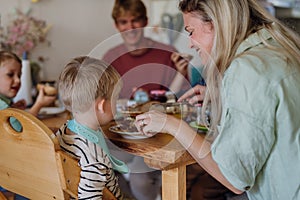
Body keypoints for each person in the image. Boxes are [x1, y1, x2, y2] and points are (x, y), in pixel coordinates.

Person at [135, 1, 300, 200]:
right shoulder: (276, 47)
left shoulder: (246, 70)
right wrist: (225, 96)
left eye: (190, 31)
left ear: (215, 23)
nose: (189, 43)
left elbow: (234, 178)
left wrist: (172, 125)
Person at [56, 56, 133, 199]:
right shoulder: (95, 157)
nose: (117, 104)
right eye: (115, 99)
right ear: (102, 106)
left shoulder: (65, 130)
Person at [103, 0, 190, 100]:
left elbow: (184, 99)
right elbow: (104, 101)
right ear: (116, 25)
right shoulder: (109, 59)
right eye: (123, 22)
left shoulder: (170, 54)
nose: (130, 28)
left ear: (146, 21)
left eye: (135, 20)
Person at [0, 51, 56, 199]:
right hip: (5, 171)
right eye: (10, 75)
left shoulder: (3, 101)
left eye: (19, 75)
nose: (18, 80)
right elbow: (18, 128)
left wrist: (15, 108)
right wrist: (38, 105)